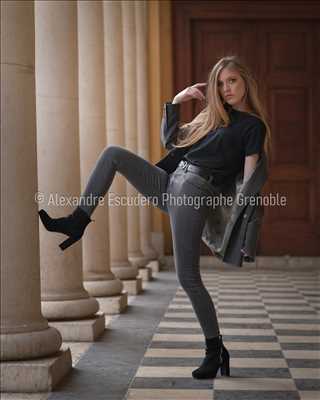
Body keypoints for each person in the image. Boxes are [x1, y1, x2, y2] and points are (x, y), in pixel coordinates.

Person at [38, 55, 271, 380]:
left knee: (187, 277)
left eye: (231, 80)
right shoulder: (213, 118)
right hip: (169, 182)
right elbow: (171, 140)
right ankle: (79, 219)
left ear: (245, 81)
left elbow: (248, 183)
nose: (225, 88)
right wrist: (177, 101)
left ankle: (214, 350)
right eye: (219, 83)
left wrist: (246, 232)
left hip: (194, 193)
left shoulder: (252, 126)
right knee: (113, 154)